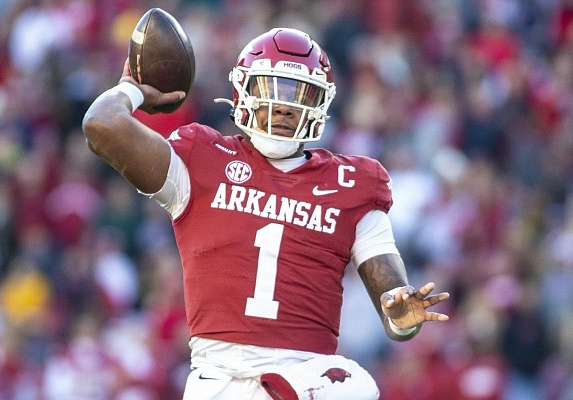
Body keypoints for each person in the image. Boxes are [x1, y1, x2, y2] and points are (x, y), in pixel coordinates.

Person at [82, 27, 450, 400]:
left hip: (304, 378)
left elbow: (395, 308)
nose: (285, 105)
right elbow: (102, 126)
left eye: (298, 93)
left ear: (321, 102)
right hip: (221, 381)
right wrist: (132, 88)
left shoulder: (354, 183)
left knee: (351, 385)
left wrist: (404, 317)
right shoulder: (201, 158)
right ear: (243, 90)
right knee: (351, 386)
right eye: (273, 87)